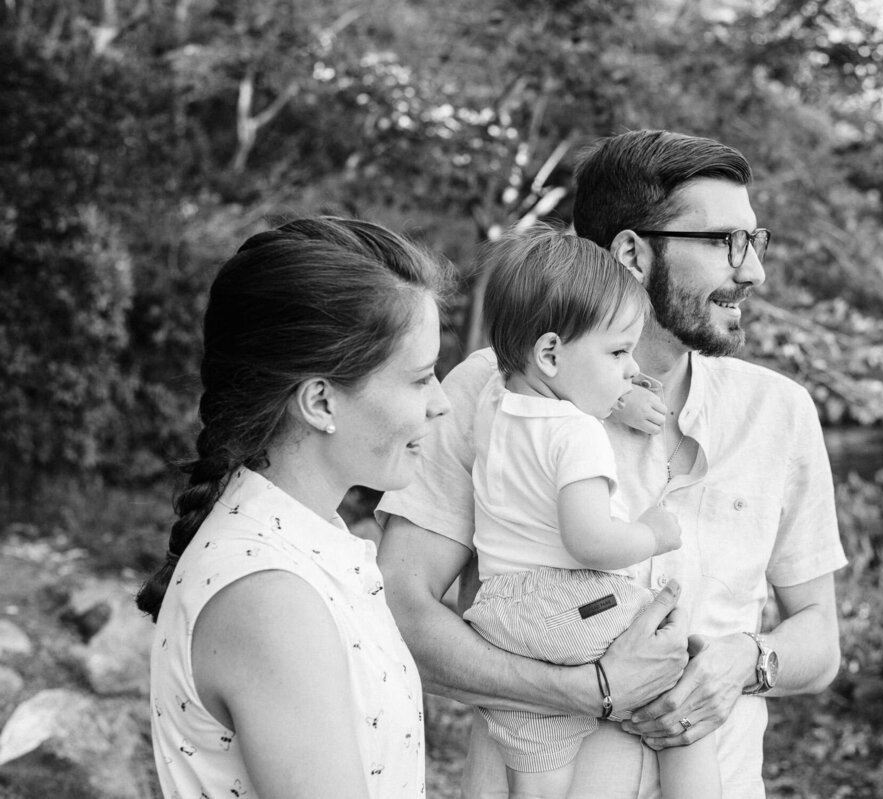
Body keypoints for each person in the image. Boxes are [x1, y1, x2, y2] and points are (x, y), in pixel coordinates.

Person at [377, 129, 847, 798]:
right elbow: (400, 603)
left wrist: (748, 658)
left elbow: (821, 639)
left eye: (754, 240)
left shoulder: (779, 412)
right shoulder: (491, 390)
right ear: (631, 251)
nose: (752, 270)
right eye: (724, 242)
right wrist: (582, 690)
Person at [136, 217, 452, 799]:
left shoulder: (303, 541)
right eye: (420, 378)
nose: (442, 404)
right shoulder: (271, 597)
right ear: (320, 400)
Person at [462, 227, 720, 799]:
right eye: (619, 352)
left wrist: (616, 394)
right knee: (684, 680)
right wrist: (651, 534)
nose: (630, 368)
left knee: (540, 746)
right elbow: (591, 541)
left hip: (503, 613)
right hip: (572, 604)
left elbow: (553, 393)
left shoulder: (492, 400)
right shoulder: (578, 432)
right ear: (551, 353)